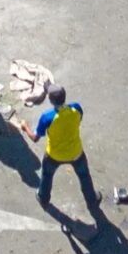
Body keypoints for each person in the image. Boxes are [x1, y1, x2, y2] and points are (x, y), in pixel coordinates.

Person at [29, 84, 96, 214]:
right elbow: (79, 119)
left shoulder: (47, 117)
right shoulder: (76, 108)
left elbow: (35, 138)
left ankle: (43, 197)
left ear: (50, 100)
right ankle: (92, 199)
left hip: (54, 155)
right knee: (84, 175)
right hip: (76, 152)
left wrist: (24, 126)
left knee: (47, 175)